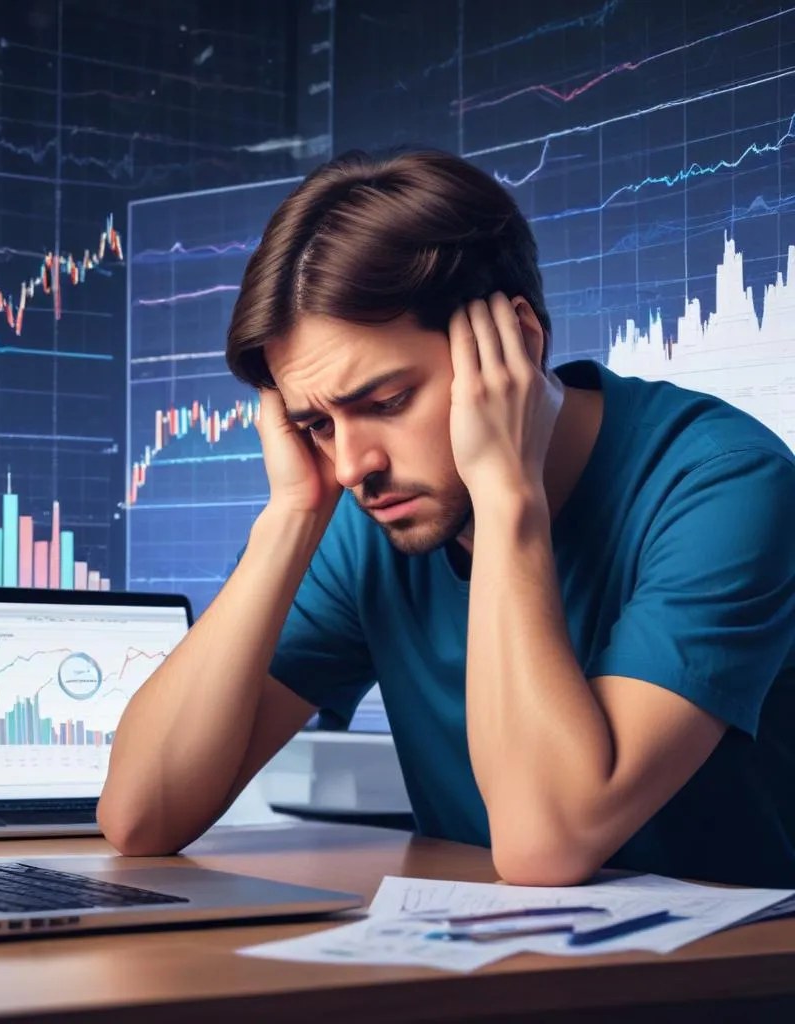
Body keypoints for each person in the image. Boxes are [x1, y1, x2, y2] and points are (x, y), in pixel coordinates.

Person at [99, 147, 795, 887]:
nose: (351, 465)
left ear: (518, 346)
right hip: (487, 978)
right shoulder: (367, 519)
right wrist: (292, 517)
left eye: (387, 402)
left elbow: (543, 843)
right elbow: (142, 816)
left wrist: (507, 498)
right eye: (317, 424)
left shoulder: (723, 485)